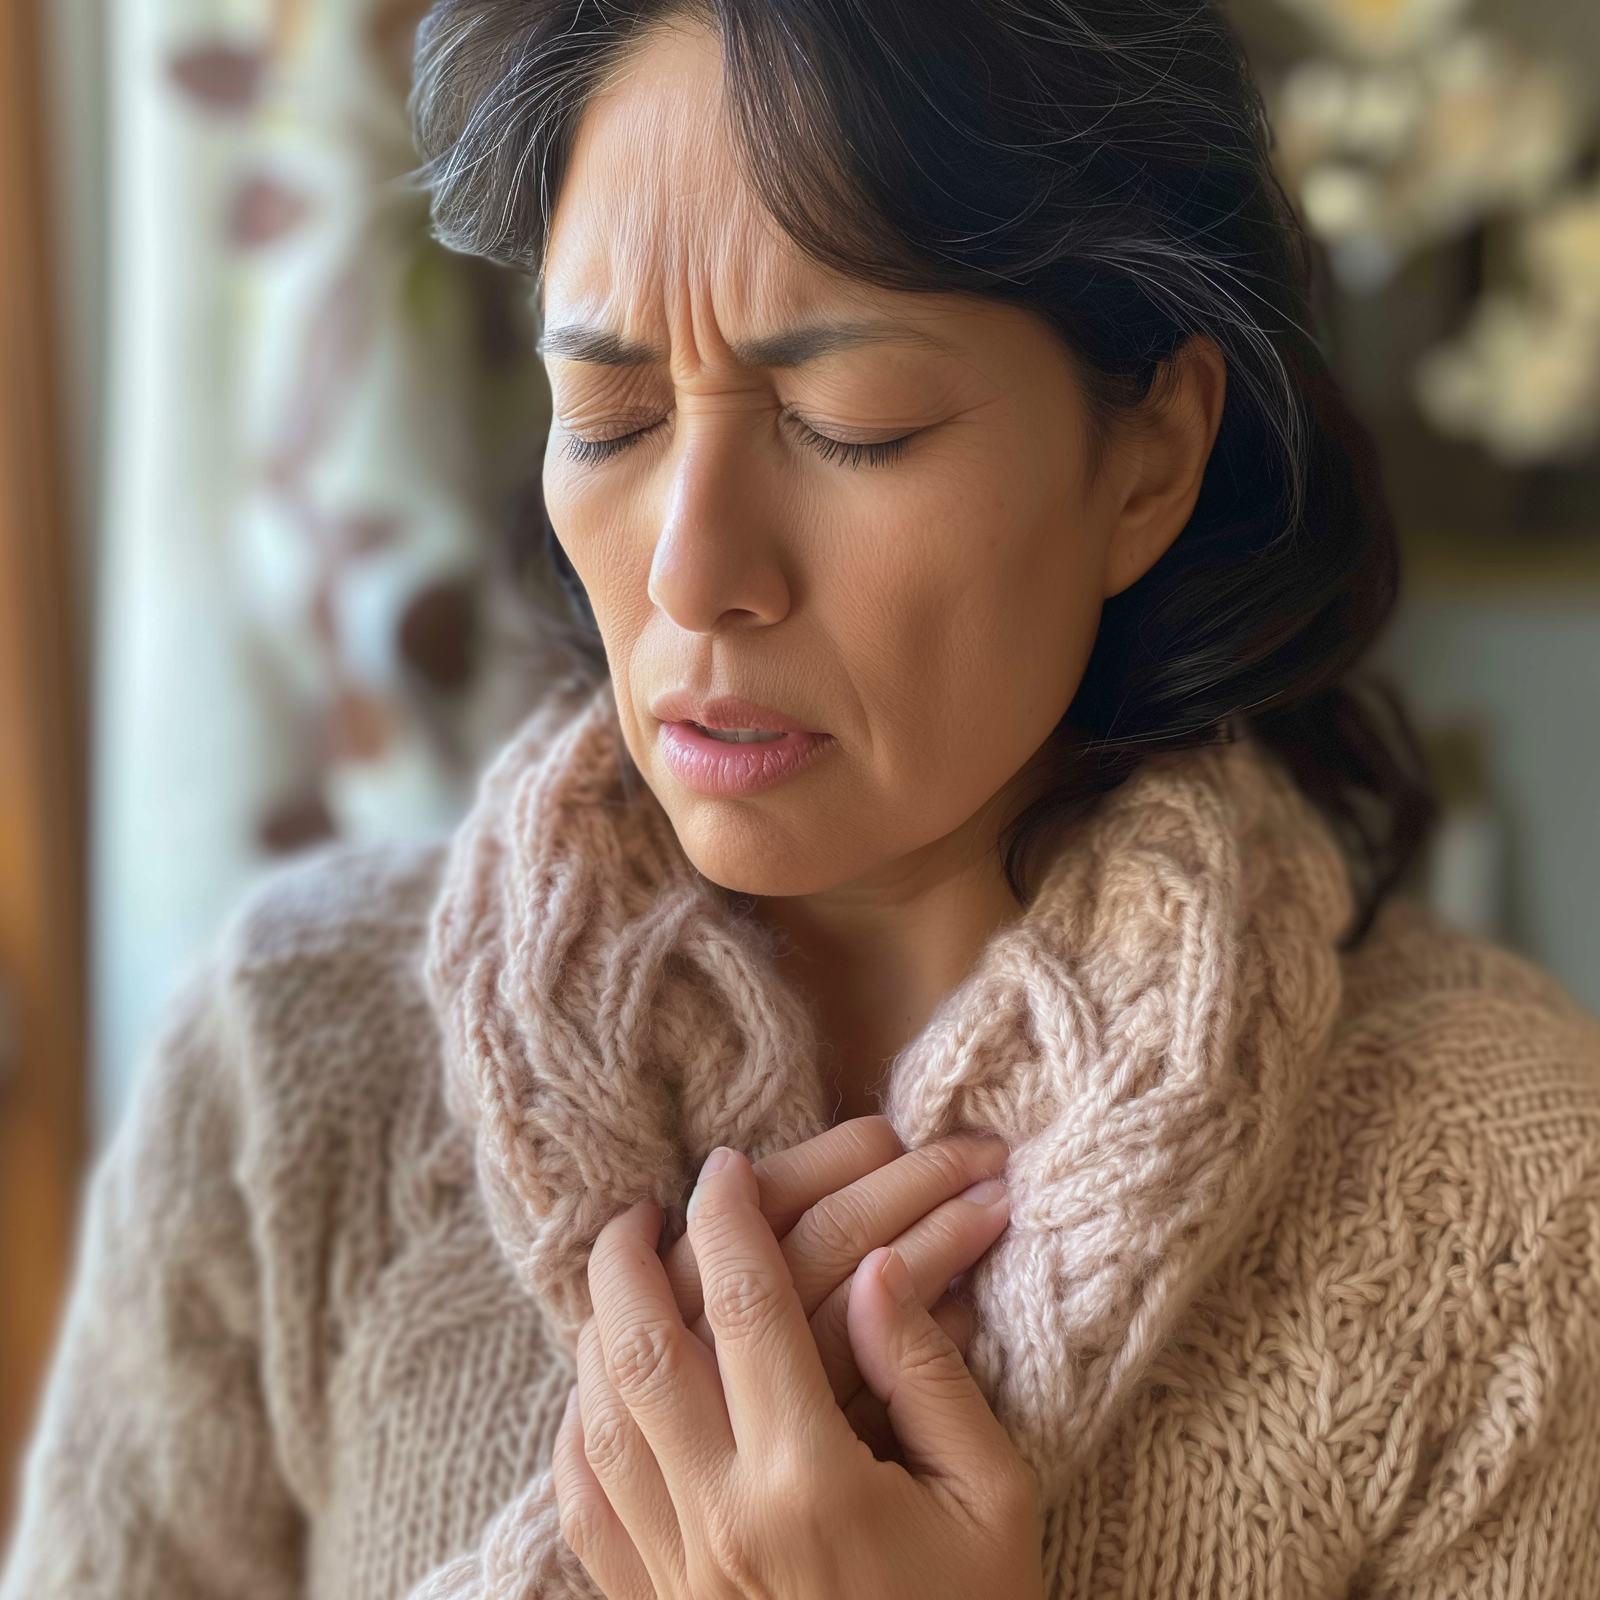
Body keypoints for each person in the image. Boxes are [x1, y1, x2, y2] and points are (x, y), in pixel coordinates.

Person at [6, 2, 1600, 1597]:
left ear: (1151, 456)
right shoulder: (291, 1061)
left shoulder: (1520, 1209)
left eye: (854, 427)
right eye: (609, 418)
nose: (695, 570)